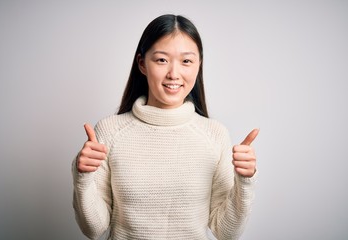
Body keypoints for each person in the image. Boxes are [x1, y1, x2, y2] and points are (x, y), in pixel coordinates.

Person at [72, 14, 259, 240]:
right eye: (161, 60)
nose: (174, 73)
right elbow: (93, 229)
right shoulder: (110, 131)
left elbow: (226, 232)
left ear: (199, 65)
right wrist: (83, 177)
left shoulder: (215, 134)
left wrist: (244, 181)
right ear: (142, 64)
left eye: (186, 61)